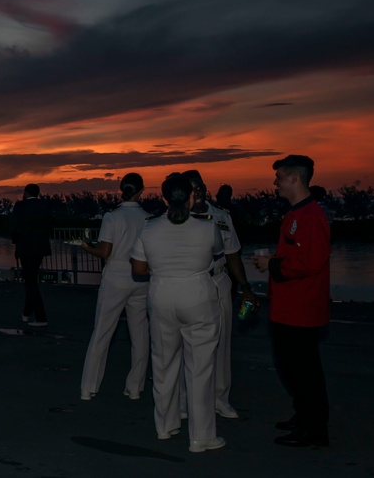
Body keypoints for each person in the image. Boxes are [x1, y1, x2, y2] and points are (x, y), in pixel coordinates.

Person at [130, 174, 225, 452]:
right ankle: (201, 436)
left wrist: (161, 270)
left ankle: (165, 426)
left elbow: (138, 270)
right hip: (197, 295)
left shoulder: (148, 229)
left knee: (163, 364)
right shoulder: (207, 228)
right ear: (193, 196)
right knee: (200, 368)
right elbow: (218, 253)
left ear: (163, 198)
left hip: (161, 295)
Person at [253, 155, 331, 448]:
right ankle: (304, 417)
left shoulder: (311, 217)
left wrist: (272, 265)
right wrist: (274, 262)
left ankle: (315, 430)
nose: (275, 183)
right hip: (288, 306)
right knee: (290, 366)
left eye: (280, 177)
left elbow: (310, 262)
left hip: (302, 307)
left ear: (295, 178)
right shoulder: (295, 215)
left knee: (304, 370)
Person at [181, 169, 260, 420]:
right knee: (185, 344)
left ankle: (219, 398)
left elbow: (233, 255)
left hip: (217, 281)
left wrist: (246, 288)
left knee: (222, 342)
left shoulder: (221, 217)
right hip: (188, 284)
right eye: (191, 188)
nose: (197, 192)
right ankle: (184, 400)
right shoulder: (174, 218)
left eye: (200, 187)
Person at [79, 173, 151, 401]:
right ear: (141, 191)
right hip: (140, 277)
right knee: (140, 335)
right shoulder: (149, 219)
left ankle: (89, 387)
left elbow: (104, 252)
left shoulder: (112, 217)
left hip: (116, 276)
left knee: (102, 332)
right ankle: (135, 387)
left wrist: (87, 247)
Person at [11, 184, 52, 326]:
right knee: (31, 278)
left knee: (30, 281)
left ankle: (41, 317)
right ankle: (27, 312)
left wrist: (16, 243)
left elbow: (15, 227)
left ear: (26, 192)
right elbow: (49, 225)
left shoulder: (20, 206)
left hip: (26, 247)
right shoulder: (45, 206)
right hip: (40, 247)